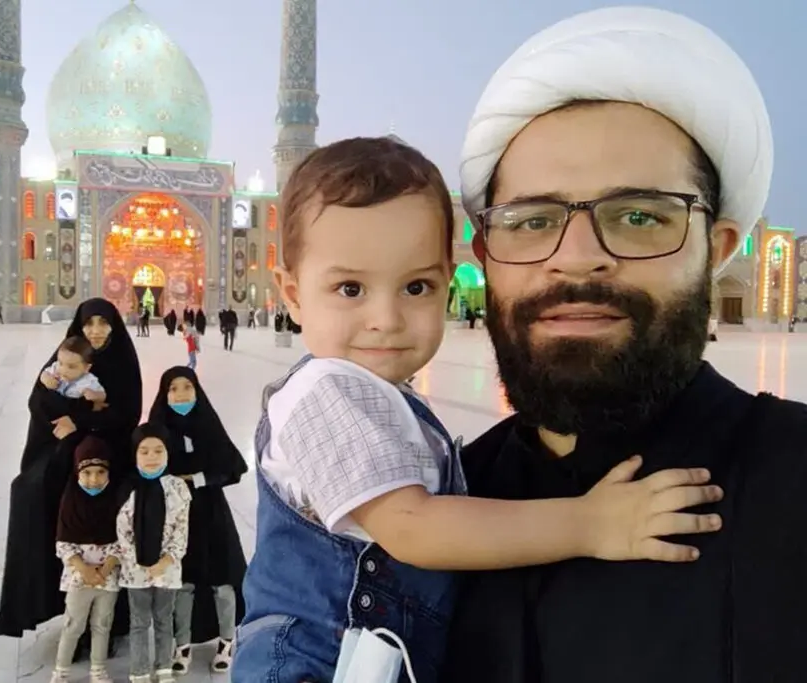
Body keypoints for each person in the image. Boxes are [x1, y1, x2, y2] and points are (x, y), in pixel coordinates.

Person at [233, 136, 723, 683]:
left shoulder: (383, 396)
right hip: (313, 666)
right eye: (350, 289)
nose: (386, 319)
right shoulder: (324, 392)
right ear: (292, 294)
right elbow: (414, 529)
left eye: (416, 287)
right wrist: (591, 523)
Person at [444, 7, 807, 682]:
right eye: (532, 220)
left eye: (639, 215)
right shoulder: (444, 500)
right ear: (486, 254)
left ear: (716, 249)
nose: (577, 258)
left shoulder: (792, 480)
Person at [0, 298, 143, 653]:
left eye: (103, 323)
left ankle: (109, 622)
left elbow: (126, 413)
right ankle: (62, 608)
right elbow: (38, 401)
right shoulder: (67, 355)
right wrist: (74, 415)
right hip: (63, 454)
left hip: (108, 456)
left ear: (114, 326)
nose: (96, 330)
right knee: (32, 494)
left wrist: (78, 419)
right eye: (89, 323)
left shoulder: (123, 361)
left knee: (105, 521)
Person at [148, 367, 248, 676]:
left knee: (222, 580)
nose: (180, 395)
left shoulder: (208, 423)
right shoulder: (158, 428)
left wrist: (196, 478)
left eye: (187, 387)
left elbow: (233, 467)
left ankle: (227, 640)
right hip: (176, 515)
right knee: (183, 582)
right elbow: (144, 466)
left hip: (211, 512)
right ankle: (183, 643)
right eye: (173, 389)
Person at [116, 423, 193, 683]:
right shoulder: (127, 488)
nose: (152, 457)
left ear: (168, 452)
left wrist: (166, 560)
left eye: (158, 451)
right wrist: (140, 562)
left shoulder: (178, 488)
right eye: (145, 451)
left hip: (168, 569)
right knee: (139, 622)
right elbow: (123, 532)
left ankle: (163, 668)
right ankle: (138, 671)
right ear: (135, 454)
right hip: (135, 570)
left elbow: (181, 530)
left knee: (163, 619)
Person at [49, 437, 121, 683]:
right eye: (87, 472)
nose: (94, 479)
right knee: (73, 625)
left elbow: (124, 539)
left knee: (102, 625)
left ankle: (98, 670)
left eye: (100, 472)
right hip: (79, 578)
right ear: (77, 472)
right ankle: (61, 672)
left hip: (107, 579)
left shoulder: (116, 501)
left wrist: (106, 568)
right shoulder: (70, 503)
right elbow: (63, 544)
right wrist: (85, 570)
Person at [40, 336, 107, 403]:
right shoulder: (55, 368)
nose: (64, 370)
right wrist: (46, 379)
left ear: (86, 368)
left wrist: (95, 395)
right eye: (61, 363)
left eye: (71, 367)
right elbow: (44, 373)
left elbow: (103, 395)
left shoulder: (88, 381)